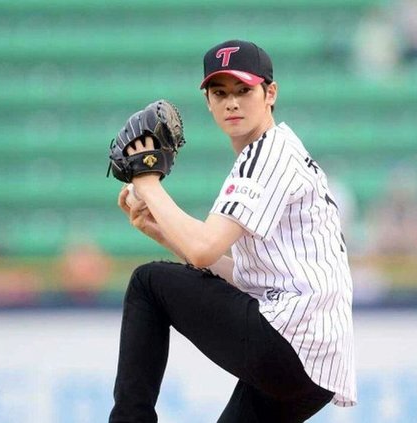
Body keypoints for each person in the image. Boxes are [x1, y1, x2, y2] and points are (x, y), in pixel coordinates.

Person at [109, 40, 357, 423]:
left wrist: (147, 182)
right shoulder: (276, 152)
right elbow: (240, 275)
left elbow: (203, 250)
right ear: (207, 100)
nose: (232, 102)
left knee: (148, 283)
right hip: (315, 368)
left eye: (244, 90)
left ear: (270, 93)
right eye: (220, 92)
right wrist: (160, 230)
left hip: (290, 340)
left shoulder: (267, 155)